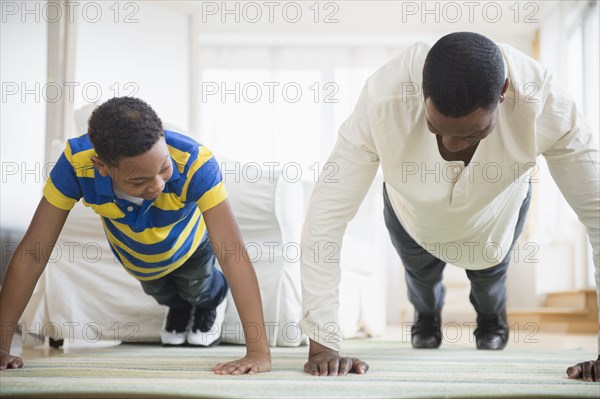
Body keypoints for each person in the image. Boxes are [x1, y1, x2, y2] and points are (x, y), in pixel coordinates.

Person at [298, 32, 599, 380]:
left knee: (489, 284)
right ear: (422, 91)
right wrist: (323, 343)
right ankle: (427, 318)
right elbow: (325, 215)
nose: (452, 146)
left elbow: (597, 216)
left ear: (503, 94)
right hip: (411, 213)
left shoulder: (547, 103)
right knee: (422, 286)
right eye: (435, 127)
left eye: (473, 134)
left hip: (494, 216)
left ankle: (490, 321)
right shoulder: (383, 97)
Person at [0, 97, 271, 375]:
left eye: (164, 168)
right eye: (138, 181)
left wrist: (258, 352)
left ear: (163, 138)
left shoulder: (196, 163)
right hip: (138, 258)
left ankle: (211, 300)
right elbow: (33, 252)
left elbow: (232, 253)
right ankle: (178, 308)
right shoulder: (76, 165)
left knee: (196, 287)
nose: (157, 185)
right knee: (163, 294)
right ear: (101, 166)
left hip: (190, 249)